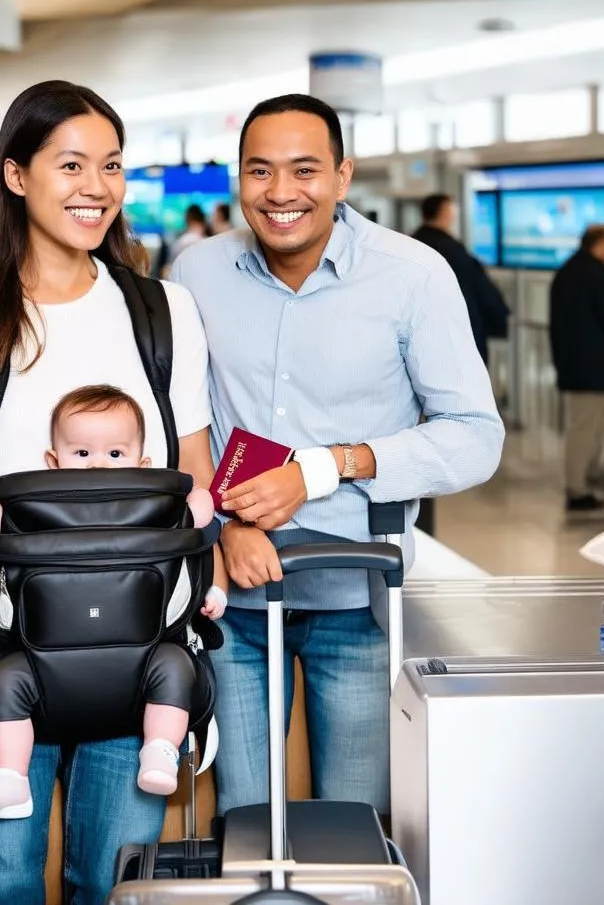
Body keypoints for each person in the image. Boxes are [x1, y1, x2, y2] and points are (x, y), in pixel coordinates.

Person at [0, 79, 215, 905]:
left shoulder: (162, 310)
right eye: (72, 165)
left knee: (117, 874)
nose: (97, 188)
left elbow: (190, 463)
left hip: (141, 634)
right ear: (16, 175)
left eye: (112, 167)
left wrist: (204, 587)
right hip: (11, 636)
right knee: (4, 874)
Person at [171, 93, 504, 819]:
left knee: (357, 816)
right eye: (260, 172)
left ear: (343, 176)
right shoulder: (196, 272)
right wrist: (225, 528)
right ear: (238, 179)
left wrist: (324, 467)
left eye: (305, 170)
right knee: (245, 818)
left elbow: (476, 436)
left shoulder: (412, 276)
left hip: (359, 599)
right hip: (235, 598)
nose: (281, 193)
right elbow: (180, 426)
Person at [0, 384, 225, 823]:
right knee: (4, 680)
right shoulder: (36, 507)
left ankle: (160, 749)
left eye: (115, 454)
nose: (97, 466)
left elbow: (198, 521)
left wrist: (200, 502)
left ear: (143, 464)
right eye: (81, 453)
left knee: (174, 665)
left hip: (142, 663)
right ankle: (10, 779)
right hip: (34, 660)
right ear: (53, 461)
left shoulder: (156, 506)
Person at [549, 223, 604, 513]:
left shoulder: (567, 272)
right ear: (599, 243)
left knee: (584, 427)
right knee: (586, 429)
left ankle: (583, 483)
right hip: (597, 369)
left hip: (574, 365)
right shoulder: (601, 276)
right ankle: (578, 489)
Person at [412, 193, 510, 365]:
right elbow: (481, 290)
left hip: (417, 341)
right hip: (457, 338)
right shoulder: (453, 250)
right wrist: (501, 322)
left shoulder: (410, 245)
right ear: (444, 213)